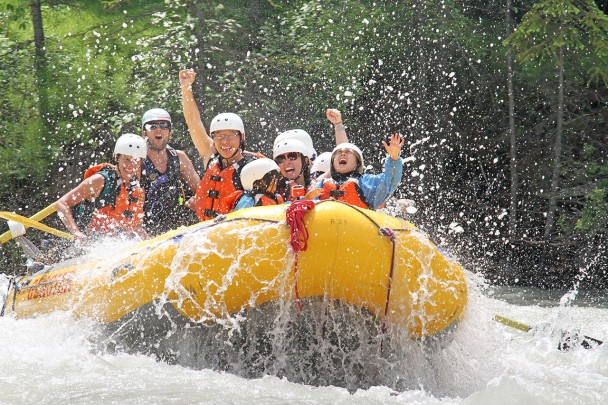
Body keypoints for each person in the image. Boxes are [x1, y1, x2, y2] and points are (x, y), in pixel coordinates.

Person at [179, 69, 258, 220]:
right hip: (207, 231)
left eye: (230, 136)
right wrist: (186, 88)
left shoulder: (253, 166)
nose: (225, 142)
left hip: (235, 232)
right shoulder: (211, 155)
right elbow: (193, 122)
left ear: (242, 137)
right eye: (219, 136)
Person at [55, 134, 148, 240]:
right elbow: (61, 203)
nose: (130, 165)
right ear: (117, 157)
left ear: (141, 162)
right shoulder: (100, 181)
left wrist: (152, 244)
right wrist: (76, 232)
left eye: (135, 160)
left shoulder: (138, 189)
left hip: (114, 244)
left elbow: (137, 227)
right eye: (126, 159)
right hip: (86, 243)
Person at [140, 108, 201, 236]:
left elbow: (200, 191)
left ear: (170, 132)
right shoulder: (137, 161)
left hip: (177, 228)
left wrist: (196, 200)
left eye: (164, 125)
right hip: (147, 230)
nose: (158, 130)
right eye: (152, 126)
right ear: (144, 133)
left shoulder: (179, 158)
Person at [311, 134, 404, 210]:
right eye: (339, 152)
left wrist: (393, 158)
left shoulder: (366, 182)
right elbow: (305, 204)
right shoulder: (322, 184)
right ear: (333, 163)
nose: (343, 154)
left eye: (348, 152)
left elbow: (390, 181)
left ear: (357, 162)